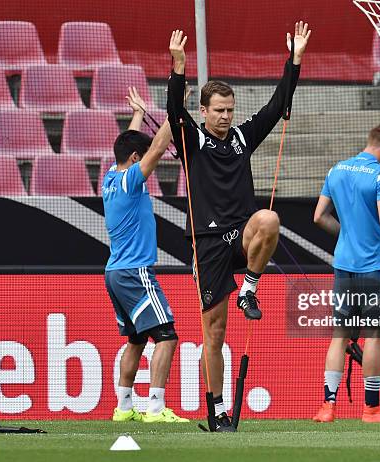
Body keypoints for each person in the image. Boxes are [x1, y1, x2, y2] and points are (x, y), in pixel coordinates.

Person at [166, 24, 311, 432]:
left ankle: (250, 286)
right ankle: (217, 411)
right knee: (214, 332)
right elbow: (173, 110)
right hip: (208, 241)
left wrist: (294, 60)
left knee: (269, 219)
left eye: (230, 109)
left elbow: (276, 103)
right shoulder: (191, 138)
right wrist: (178, 67)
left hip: (242, 234)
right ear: (205, 111)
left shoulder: (242, 138)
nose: (227, 116)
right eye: (219, 110)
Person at [312, 123, 380, 424]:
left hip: (343, 264)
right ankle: (371, 410)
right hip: (374, 266)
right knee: (374, 337)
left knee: (339, 337)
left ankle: (327, 407)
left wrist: (346, 237)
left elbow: (318, 217)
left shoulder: (336, 170)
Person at [104, 86, 188, 423]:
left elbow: (133, 145)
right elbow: (153, 150)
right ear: (136, 161)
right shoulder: (129, 181)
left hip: (114, 272)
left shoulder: (110, 176)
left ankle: (124, 409)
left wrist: (138, 112)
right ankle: (155, 409)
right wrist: (173, 114)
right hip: (135, 271)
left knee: (137, 339)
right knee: (167, 335)